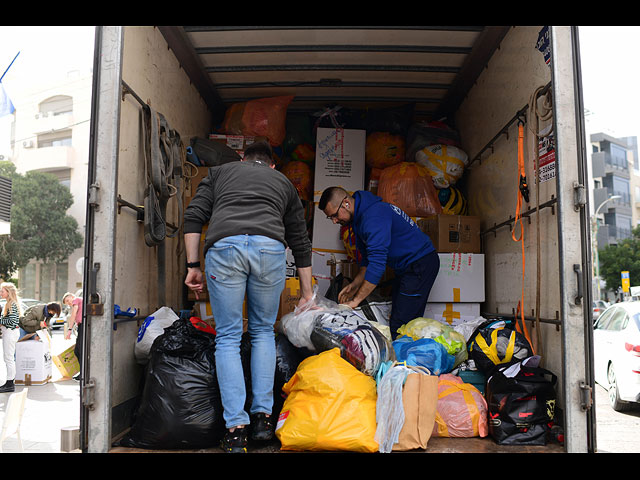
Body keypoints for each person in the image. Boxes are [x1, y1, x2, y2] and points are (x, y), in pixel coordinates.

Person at [183, 140, 314, 453]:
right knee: (262, 333)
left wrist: (192, 266)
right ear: (271, 165)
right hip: (269, 250)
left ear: (242, 158)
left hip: (224, 248)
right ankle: (262, 419)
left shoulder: (219, 173)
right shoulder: (283, 182)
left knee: (227, 337)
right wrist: (307, 291)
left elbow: (193, 217)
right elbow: (299, 239)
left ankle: (235, 429)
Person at [319, 187, 440, 340]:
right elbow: (367, 261)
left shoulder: (374, 216)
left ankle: (407, 361)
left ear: (346, 204)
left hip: (420, 264)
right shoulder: (358, 220)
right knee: (399, 318)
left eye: (334, 215)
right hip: (406, 267)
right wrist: (354, 286)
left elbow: (377, 265)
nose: (335, 221)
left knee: (401, 324)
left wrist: (356, 301)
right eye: (330, 218)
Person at [0, 282, 22, 392]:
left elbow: (13, 321)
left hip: (10, 332)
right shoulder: (9, 303)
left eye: (2, 291)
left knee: (8, 358)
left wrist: (0, 321)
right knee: (8, 358)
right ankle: (9, 383)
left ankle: (9, 384)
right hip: (9, 333)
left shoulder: (12, 304)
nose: (0, 293)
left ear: (8, 292)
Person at [62, 292, 83, 381]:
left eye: (68, 300)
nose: (69, 303)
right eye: (67, 303)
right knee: (78, 351)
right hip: (81, 326)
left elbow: (73, 314)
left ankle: (83, 374)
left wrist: (69, 330)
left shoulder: (76, 300)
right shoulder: (78, 301)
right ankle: (82, 373)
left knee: (79, 351)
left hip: (83, 326)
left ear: (72, 296)